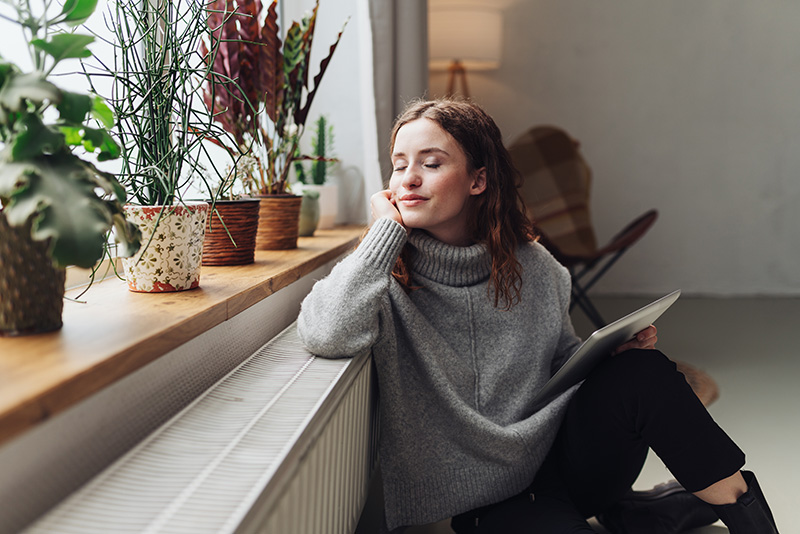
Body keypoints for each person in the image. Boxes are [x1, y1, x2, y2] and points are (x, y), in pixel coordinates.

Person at [296, 99, 779, 534]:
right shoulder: (380, 275)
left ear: (478, 180)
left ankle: (748, 521)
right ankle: (642, 512)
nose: (409, 179)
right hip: (483, 505)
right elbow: (324, 332)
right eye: (399, 166)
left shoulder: (533, 265)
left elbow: (558, 357)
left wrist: (607, 358)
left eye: (431, 163)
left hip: (561, 467)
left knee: (643, 371)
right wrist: (383, 234)